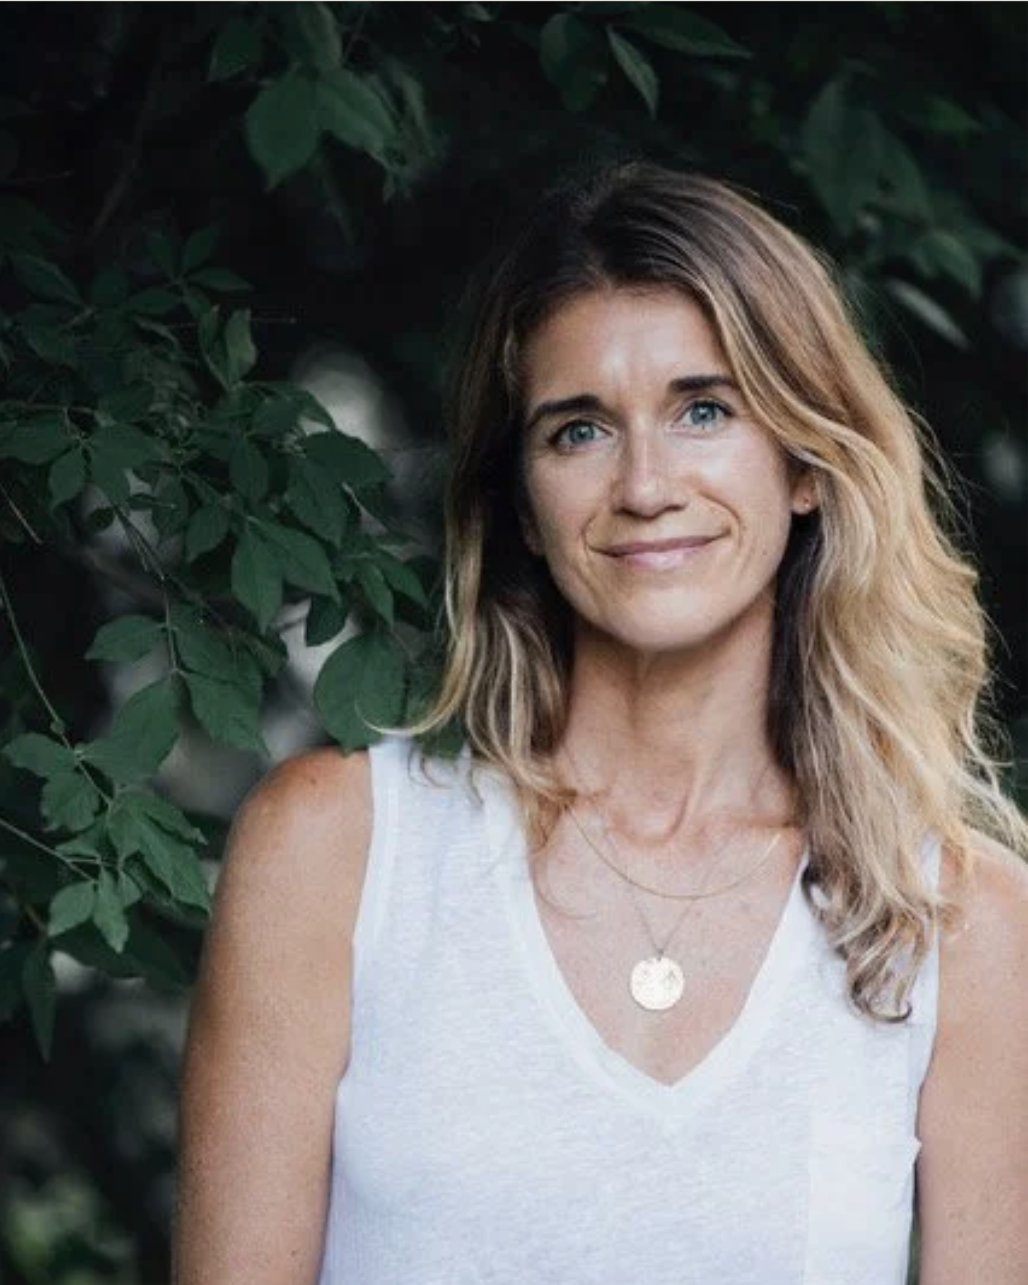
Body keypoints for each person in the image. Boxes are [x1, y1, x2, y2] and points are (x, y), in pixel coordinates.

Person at [172, 161, 1028, 1285]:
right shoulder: (337, 849)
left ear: (806, 466)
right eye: (577, 430)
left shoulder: (962, 921)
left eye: (703, 411)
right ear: (520, 505)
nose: (644, 485)